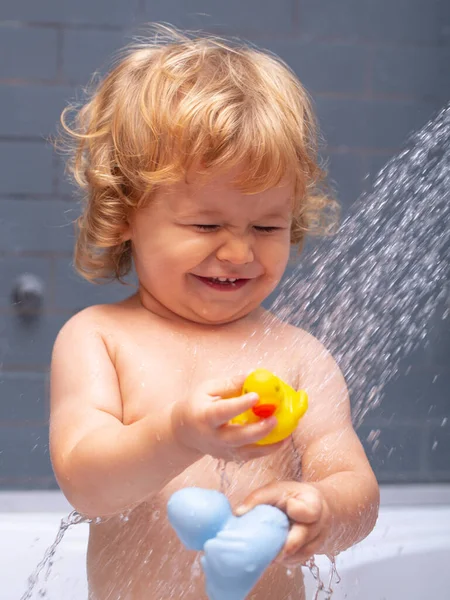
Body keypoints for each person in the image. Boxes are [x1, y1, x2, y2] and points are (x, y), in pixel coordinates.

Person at [50, 24, 379, 600]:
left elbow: (355, 485)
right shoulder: (100, 340)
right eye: (206, 225)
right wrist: (178, 434)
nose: (238, 251)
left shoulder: (298, 355)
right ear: (126, 212)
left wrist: (323, 509)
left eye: (267, 226)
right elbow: (87, 486)